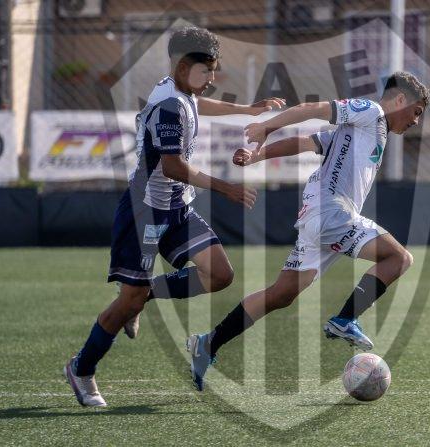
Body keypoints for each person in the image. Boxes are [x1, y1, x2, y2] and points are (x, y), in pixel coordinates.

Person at [64, 26, 284, 407]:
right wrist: (226, 188)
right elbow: (173, 166)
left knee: (220, 274)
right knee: (127, 303)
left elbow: (201, 106)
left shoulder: (179, 90)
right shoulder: (169, 105)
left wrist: (248, 110)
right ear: (184, 67)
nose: (212, 78)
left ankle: (146, 294)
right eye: (207, 70)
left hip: (177, 208)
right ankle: (82, 368)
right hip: (144, 213)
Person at [187, 71, 430, 391]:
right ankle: (345, 319)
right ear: (400, 99)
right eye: (416, 112)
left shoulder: (363, 130)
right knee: (399, 258)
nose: (415, 121)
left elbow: (303, 143)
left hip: (318, 217)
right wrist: (266, 126)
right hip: (332, 213)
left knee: (282, 294)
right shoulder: (370, 112)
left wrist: (257, 156)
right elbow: (312, 109)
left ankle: (208, 343)